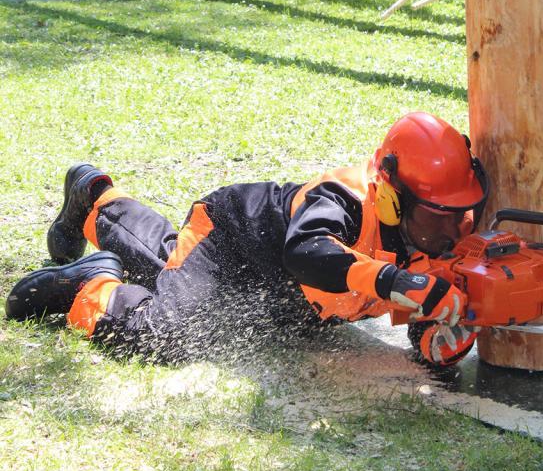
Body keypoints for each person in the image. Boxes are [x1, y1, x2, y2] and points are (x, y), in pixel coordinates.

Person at [5, 113, 488, 368]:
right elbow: (307, 254)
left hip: (273, 298)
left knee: (170, 271)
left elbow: (422, 323)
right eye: (439, 215)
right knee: (169, 334)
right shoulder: (342, 200)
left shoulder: (444, 235)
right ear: (391, 196)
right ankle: (88, 287)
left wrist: (443, 332)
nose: (454, 230)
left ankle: (94, 199)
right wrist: (392, 281)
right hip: (228, 242)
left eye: (463, 212)